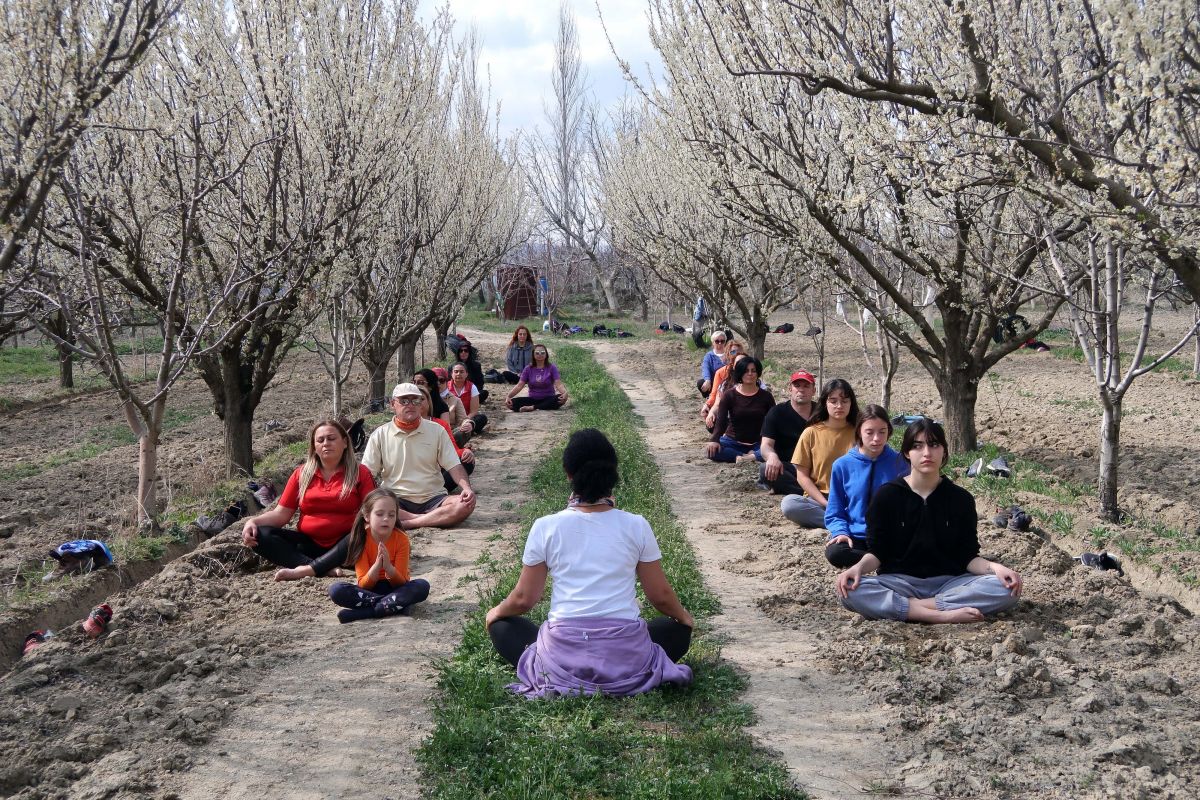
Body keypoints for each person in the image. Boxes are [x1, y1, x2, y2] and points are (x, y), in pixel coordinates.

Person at [485, 429, 694, 698]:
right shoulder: (636, 525)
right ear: (613, 474)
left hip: (563, 654)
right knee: (677, 630)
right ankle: (624, 673)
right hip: (625, 655)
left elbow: (525, 598)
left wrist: (496, 613)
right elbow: (660, 596)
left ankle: (560, 677)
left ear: (568, 473)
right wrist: (685, 618)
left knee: (503, 627)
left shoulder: (546, 526)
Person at [835, 418, 1023, 624]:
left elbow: (967, 557)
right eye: (918, 446)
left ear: (944, 451)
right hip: (899, 581)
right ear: (907, 452)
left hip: (951, 583)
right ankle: (937, 614)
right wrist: (858, 569)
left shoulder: (960, 499)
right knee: (850, 591)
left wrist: (996, 568)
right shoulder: (886, 496)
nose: (927, 453)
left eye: (934, 445)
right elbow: (878, 552)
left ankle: (914, 607)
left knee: (1006, 588)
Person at [275, 489, 430, 624]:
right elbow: (363, 585)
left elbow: (401, 581)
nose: (386, 519)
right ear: (367, 516)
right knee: (336, 590)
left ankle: (368, 612)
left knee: (422, 586)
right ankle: (394, 606)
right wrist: (376, 568)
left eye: (391, 515)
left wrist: (388, 568)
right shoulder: (360, 538)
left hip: (397, 589)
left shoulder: (401, 538)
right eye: (380, 514)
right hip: (371, 592)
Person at [242, 419, 376, 567]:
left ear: (345, 442)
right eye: (320, 440)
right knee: (260, 535)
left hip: (347, 545)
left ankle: (312, 568)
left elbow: (373, 512)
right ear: (314, 446)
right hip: (309, 545)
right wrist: (252, 522)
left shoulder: (360, 473)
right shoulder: (301, 474)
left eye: (331, 438)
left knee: (368, 532)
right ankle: (315, 566)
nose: (326, 443)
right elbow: (281, 514)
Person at [361, 382, 476, 528]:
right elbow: (367, 474)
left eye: (416, 400)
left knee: (465, 504)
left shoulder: (437, 430)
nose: (410, 405)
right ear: (392, 404)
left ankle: (409, 523)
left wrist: (466, 488)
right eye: (404, 401)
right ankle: (428, 519)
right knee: (371, 506)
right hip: (396, 500)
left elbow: (454, 465)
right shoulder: (380, 434)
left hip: (434, 498)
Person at [823, 405, 910, 567]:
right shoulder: (842, 465)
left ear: (889, 432)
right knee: (835, 552)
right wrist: (841, 532)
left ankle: (875, 560)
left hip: (890, 536)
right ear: (859, 432)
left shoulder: (902, 464)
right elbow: (835, 510)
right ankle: (880, 561)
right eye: (869, 432)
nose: (876, 438)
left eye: (882, 432)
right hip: (856, 537)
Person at [780, 378, 860, 528]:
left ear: (851, 403)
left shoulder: (860, 432)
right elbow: (802, 476)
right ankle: (842, 522)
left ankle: (844, 520)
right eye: (833, 401)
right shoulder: (811, 432)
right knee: (789, 504)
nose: (839, 406)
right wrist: (826, 503)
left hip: (853, 497)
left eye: (844, 401)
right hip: (820, 499)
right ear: (825, 403)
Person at [757, 370, 818, 494]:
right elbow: (766, 445)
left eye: (806, 386)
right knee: (765, 469)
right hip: (789, 467)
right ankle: (811, 492)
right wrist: (772, 456)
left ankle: (802, 490)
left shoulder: (821, 413)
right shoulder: (776, 413)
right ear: (790, 389)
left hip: (818, 467)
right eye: (797, 386)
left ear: (814, 390)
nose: (801, 390)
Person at [704, 357, 774, 463]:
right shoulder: (729, 395)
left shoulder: (766, 397)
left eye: (753, 371)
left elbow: (773, 422)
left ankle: (749, 457)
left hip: (759, 443)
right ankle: (746, 456)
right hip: (732, 441)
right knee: (710, 451)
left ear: (758, 373)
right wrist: (715, 439)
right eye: (746, 371)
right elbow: (721, 420)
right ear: (740, 373)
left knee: (776, 449)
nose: (750, 374)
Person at [418, 386, 476, 494]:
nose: (417, 403)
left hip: (438, 471)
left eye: (421, 399)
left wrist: (465, 452)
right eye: (413, 400)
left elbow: (452, 449)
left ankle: (436, 490)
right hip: (413, 476)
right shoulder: (397, 428)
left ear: (428, 402)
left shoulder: (440, 424)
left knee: (466, 461)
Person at [420, 367, 486, 447]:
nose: (438, 384)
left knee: (464, 431)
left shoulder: (455, 400)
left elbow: (463, 419)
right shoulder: (420, 398)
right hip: (423, 432)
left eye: (441, 380)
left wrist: (468, 424)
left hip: (448, 434)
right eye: (435, 381)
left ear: (447, 381)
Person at [505, 344, 568, 411]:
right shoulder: (528, 368)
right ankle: (540, 406)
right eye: (537, 353)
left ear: (546, 354)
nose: (540, 355)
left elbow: (559, 384)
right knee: (512, 403)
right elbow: (519, 385)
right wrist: (509, 396)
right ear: (533, 355)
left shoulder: (552, 367)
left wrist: (565, 393)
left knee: (559, 398)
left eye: (542, 353)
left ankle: (533, 407)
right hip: (532, 399)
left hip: (549, 398)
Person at [451, 338, 488, 404]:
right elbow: (450, 383)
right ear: (458, 353)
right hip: (456, 392)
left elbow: (480, 383)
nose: (463, 353)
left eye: (466, 351)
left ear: (469, 352)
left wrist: (470, 390)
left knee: (484, 393)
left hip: (471, 391)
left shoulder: (476, 365)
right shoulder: (452, 366)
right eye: (461, 351)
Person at [696, 331, 729, 396]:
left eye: (722, 341)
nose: (720, 343)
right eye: (717, 341)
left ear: (725, 342)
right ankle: (710, 398)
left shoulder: (730, 354)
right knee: (701, 382)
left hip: (728, 381)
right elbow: (705, 368)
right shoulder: (709, 356)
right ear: (713, 342)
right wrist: (707, 380)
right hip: (714, 382)